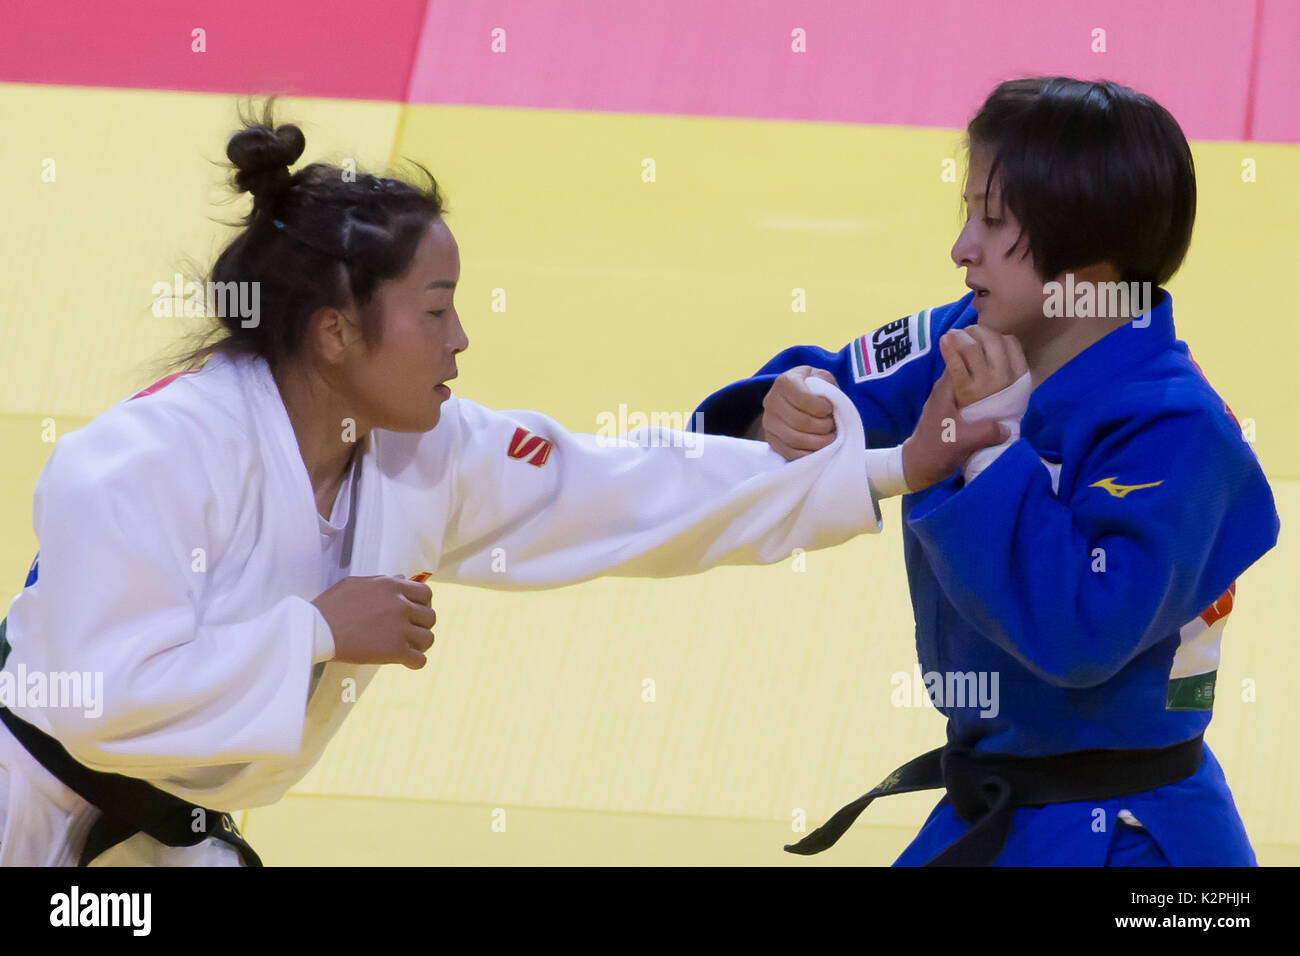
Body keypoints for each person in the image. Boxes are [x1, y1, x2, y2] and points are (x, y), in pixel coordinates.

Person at [0, 104, 1004, 867]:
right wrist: (317, 629)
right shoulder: (139, 462)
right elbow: (92, 698)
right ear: (335, 333)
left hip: (172, 838)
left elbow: (631, 488)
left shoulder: (424, 450)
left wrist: (893, 465)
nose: (462, 340)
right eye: (434, 312)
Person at [692, 77, 1280, 865]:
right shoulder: (968, 331)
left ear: (1089, 259)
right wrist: (783, 404)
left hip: (1134, 832)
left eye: (993, 221)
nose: (960, 247)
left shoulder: (1178, 428)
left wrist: (993, 449)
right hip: (994, 807)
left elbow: (1079, 634)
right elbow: (833, 384)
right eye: (968, 211)